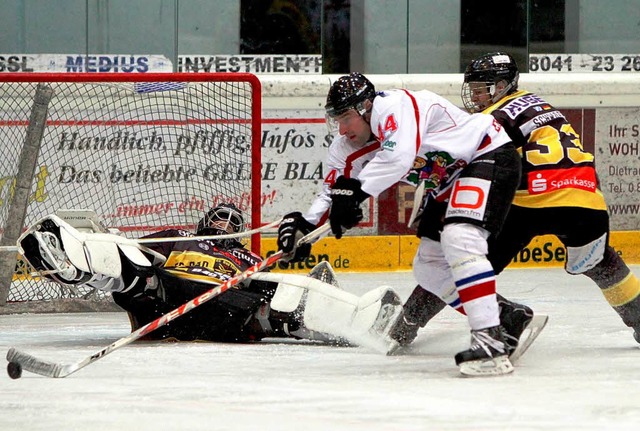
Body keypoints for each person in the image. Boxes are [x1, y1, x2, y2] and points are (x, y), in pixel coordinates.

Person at [279, 72, 529, 376]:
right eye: (336, 120)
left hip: (487, 153)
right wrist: (304, 228)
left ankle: (490, 341)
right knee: (428, 266)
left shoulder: (394, 106)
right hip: (449, 180)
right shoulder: (346, 146)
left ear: (366, 107)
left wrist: (356, 192)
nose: (342, 129)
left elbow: (399, 157)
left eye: (346, 118)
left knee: (460, 237)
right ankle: (505, 314)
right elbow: (332, 191)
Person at [391, 52, 640, 349]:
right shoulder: (541, 105)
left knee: (462, 264)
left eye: (481, 87)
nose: (475, 94)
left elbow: (464, 166)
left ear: (501, 86)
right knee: (602, 264)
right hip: (585, 197)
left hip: (528, 200)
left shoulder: (491, 117)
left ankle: (405, 326)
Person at [17, 204, 402, 350]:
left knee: (285, 297)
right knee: (135, 270)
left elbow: (269, 285)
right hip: (165, 299)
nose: (225, 223)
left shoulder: (247, 256)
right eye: (219, 218)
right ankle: (74, 262)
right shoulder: (179, 237)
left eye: (233, 221)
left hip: (223, 311)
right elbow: (142, 254)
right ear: (205, 222)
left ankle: (360, 322)